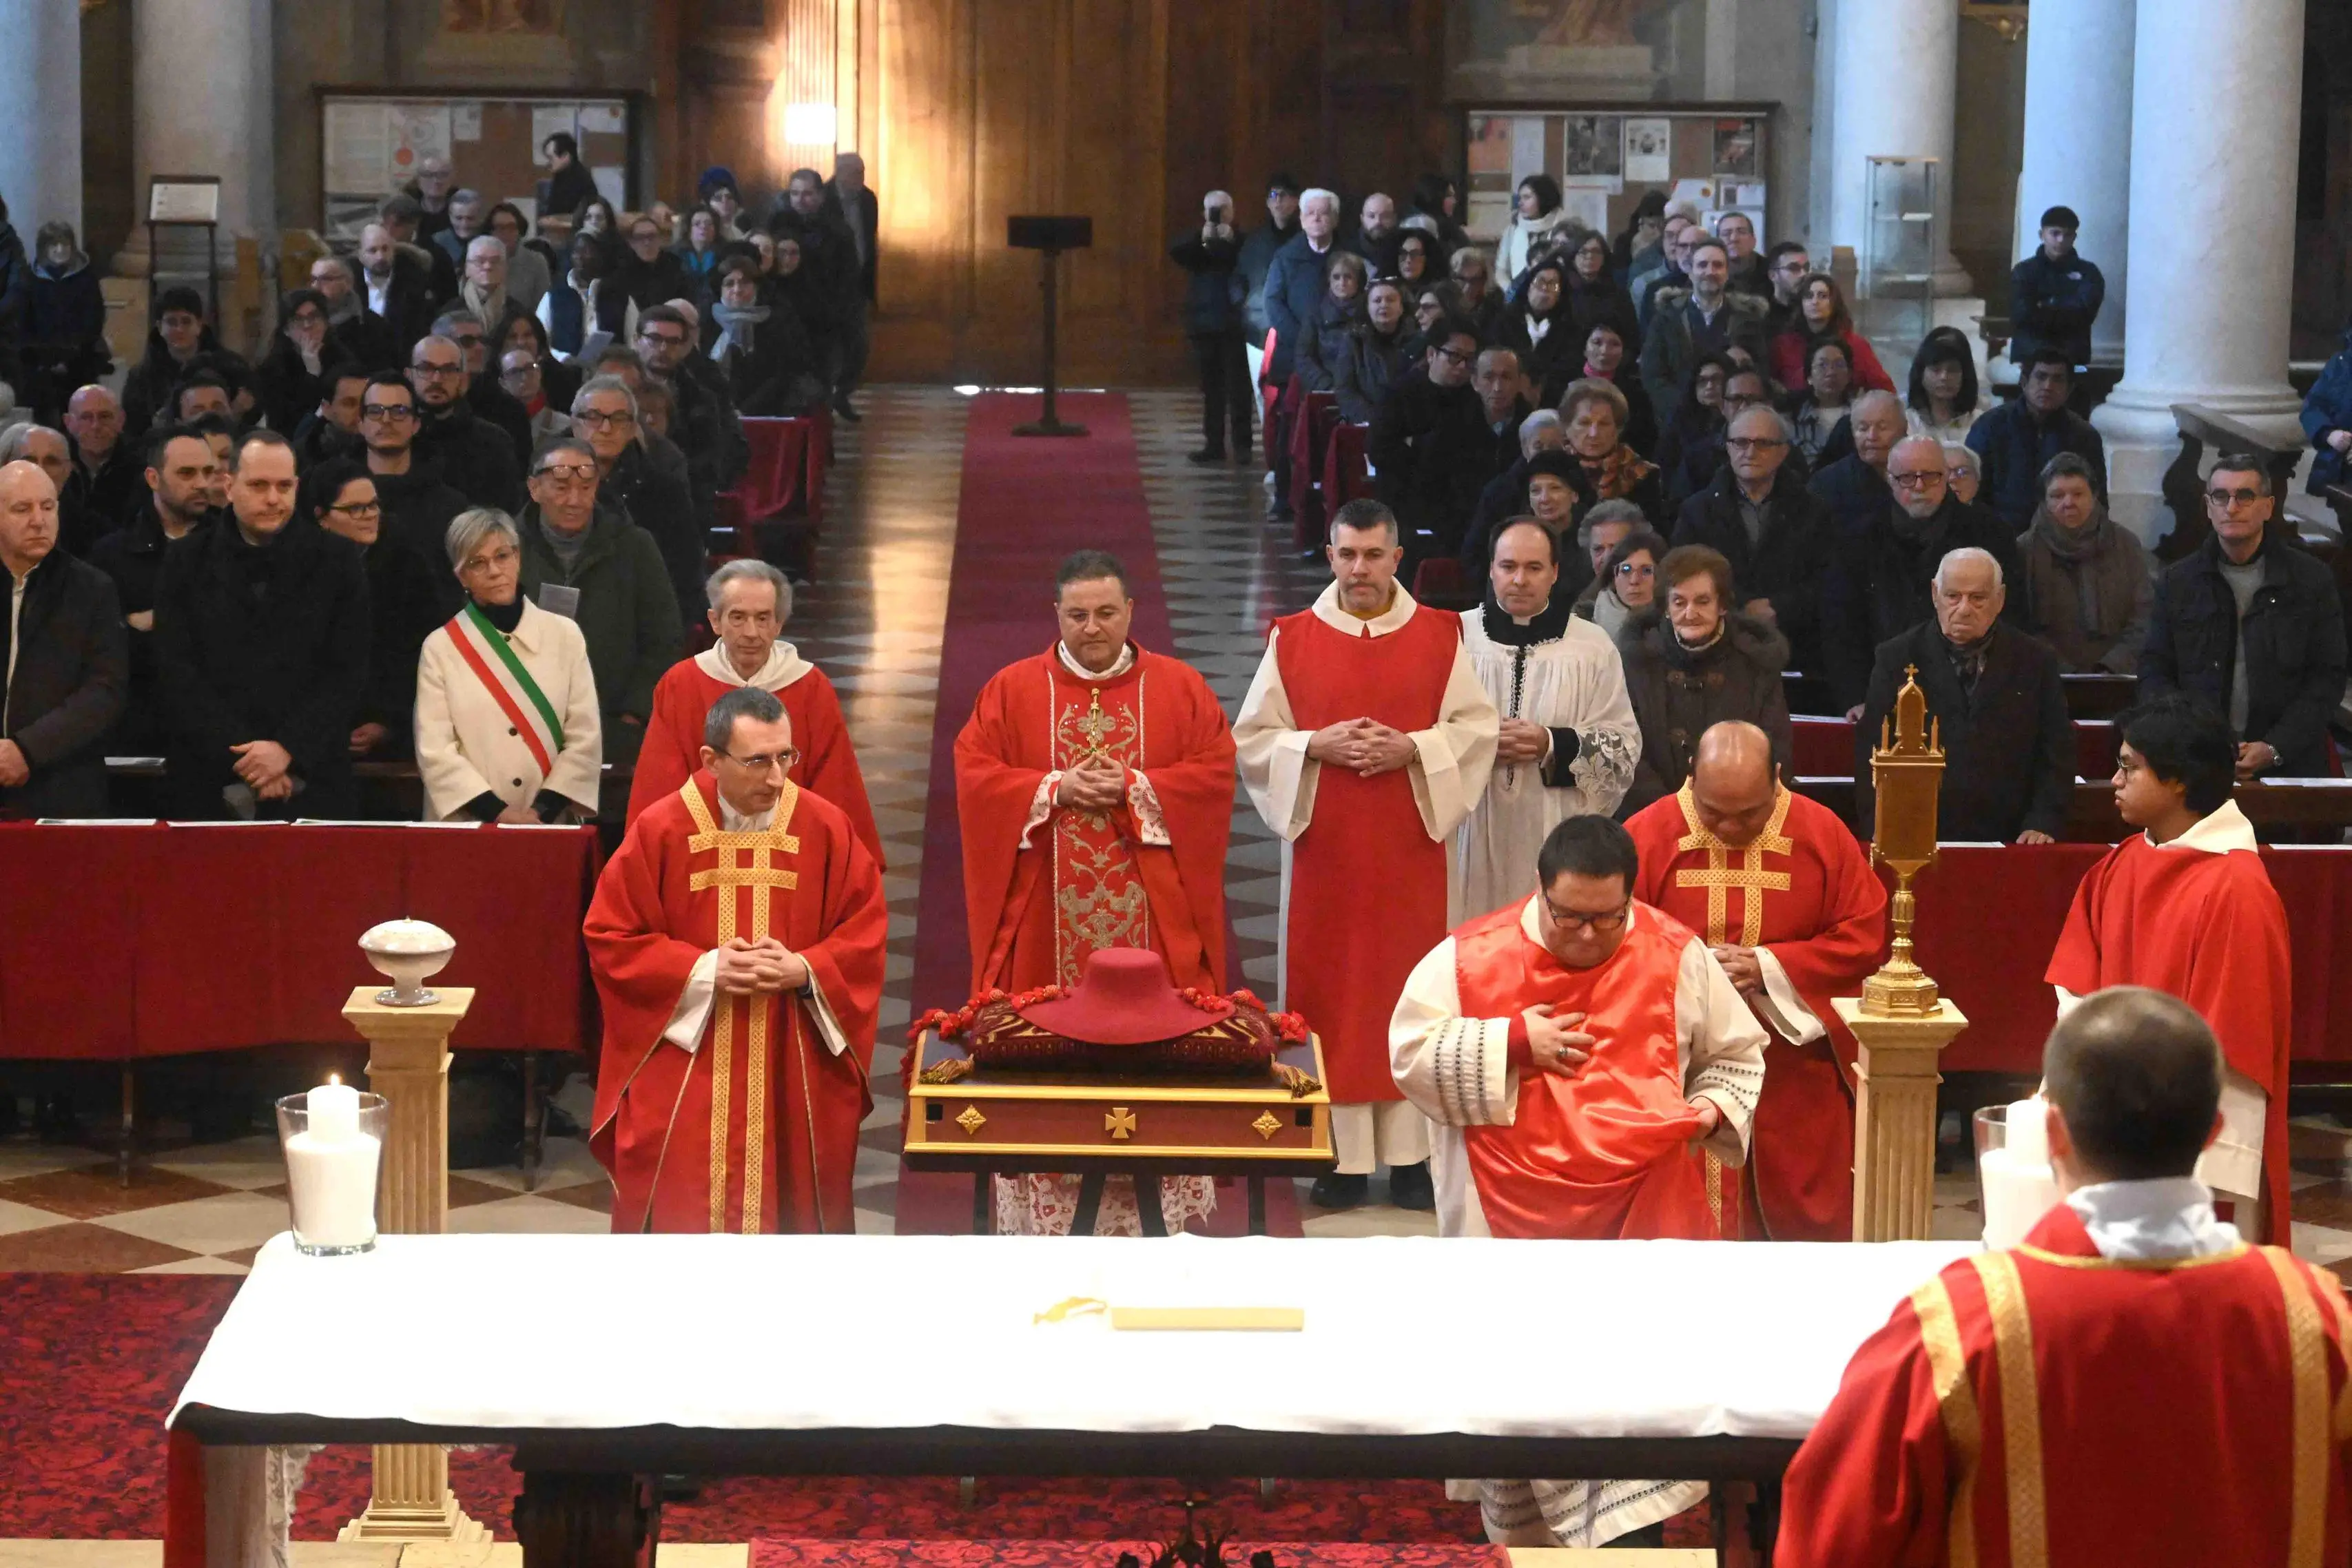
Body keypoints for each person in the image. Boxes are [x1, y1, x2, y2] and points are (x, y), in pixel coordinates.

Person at [1777, 989, 2347, 1568]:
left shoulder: (1961, 1328)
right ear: (2211, 1130)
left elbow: (1832, 1540)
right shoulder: (2320, 1322)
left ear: (2054, 1132)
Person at [1388, 813, 1766, 1548]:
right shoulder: (1469, 957)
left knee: (1627, 1412)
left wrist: (1711, 1106)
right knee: (1527, 1411)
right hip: (1508, 1225)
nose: (1589, 934)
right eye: (1570, 916)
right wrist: (1513, 1040)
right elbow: (1409, 1055)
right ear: (1541, 889)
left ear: (1630, 898)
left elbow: (1736, 1054)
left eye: (1607, 917)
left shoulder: (1675, 952)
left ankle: (1630, 1550)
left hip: (1639, 1217)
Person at [953, 550, 1237, 1235]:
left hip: (1154, 922)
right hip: (1045, 924)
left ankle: (1158, 1217)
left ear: (1131, 611)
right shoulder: (1012, 689)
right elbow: (975, 772)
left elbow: (1214, 771)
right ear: (1056, 614)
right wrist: (1052, 788)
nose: (1092, 627)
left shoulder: (1180, 686)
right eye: (1077, 614)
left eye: (1106, 612)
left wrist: (1139, 787)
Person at [1235, 499, 1499, 1210]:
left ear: (1396, 557)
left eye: (1373, 555)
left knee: (1413, 991)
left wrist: (1414, 745)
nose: (1360, 569)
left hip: (1412, 841)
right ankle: (1342, 1158)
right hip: (1328, 844)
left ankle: (1413, 1158)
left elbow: (1475, 728)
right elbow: (1255, 739)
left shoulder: (1442, 635)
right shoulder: (1291, 638)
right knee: (1335, 996)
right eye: (1347, 554)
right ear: (1329, 555)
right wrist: (1311, 744)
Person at [586, 683, 886, 1232]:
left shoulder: (823, 826)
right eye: (756, 762)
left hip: (790, 1055)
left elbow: (864, 927)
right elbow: (610, 936)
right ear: (711, 760)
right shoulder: (662, 829)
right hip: (688, 1061)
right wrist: (701, 969)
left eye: (784, 757)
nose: (776, 779)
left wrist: (807, 967)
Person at [1626, 722, 1886, 1240]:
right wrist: (1693, 979)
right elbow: (1616, 940)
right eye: (1713, 812)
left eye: (1748, 814)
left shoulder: (1821, 833)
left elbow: (1865, 934)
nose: (1728, 828)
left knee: (1802, 1221)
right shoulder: (1649, 834)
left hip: (1790, 1062)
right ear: (1692, 778)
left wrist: (1769, 967)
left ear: (1778, 781)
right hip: (1681, 1065)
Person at [2044, 695, 2291, 1241]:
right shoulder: (2122, 862)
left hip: (2187, 1149)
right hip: (2108, 1123)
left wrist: (2205, 1164)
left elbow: (2236, 1046)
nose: (2113, 780)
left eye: (2129, 767)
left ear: (2179, 780)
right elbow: (2077, 989)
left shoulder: (2237, 888)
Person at [152, 431, 369, 820]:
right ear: (229, 486)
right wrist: (249, 758)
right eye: (259, 485)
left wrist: (288, 750)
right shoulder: (184, 562)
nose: (273, 498)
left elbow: (347, 672)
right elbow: (177, 673)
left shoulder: (338, 561)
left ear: (297, 487)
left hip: (315, 774)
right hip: (207, 776)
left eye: (284, 486)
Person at [628, 559, 878, 868]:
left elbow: (835, 787)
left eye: (763, 619)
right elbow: (659, 787)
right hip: (700, 858)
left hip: (791, 857)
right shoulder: (682, 685)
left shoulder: (811, 688)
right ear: (714, 621)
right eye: (738, 617)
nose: (751, 632)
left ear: (779, 624)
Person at [1451, 517, 1639, 922]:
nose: (1519, 579)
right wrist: (1478, 743)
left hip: (1554, 826)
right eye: (1508, 566)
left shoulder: (1592, 647)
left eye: (1534, 568)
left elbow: (1624, 748)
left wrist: (1551, 744)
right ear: (1491, 569)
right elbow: (1419, 736)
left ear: (1554, 572)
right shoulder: (1452, 637)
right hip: (1469, 830)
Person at [2140, 453, 2348, 780]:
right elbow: (2155, 670)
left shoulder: (2311, 580)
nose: (2232, 507)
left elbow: (2327, 677)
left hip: (2287, 762)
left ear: (2268, 506)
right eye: (2220, 497)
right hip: (2196, 763)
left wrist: (2275, 747)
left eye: (2245, 496)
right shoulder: (2177, 581)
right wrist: (2193, 740)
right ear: (2208, 507)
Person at [1854, 547, 2072, 844]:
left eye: (1978, 598)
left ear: (2001, 599)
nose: (1964, 609)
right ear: (1935, 594)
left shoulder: (2036, 661)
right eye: (1953, 596)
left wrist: (2043, 822)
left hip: (2013, 836)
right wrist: (1880, 826)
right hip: (1916, 833)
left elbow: (2056, 752)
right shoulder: (1896, 657)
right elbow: (1873, 752)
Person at [413, 505, 603, 824]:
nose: (495, 570)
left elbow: (584, 736)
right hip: (471, 826)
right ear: (461, 575)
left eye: (503, 556)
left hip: (549, 823)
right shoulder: (441, 647)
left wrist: (540, 812)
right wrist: (498, 814)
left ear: (518, 557)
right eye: (478, 563)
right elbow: (436, 750)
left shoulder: (564, 635)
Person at [515, 434, 683, 767]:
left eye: (586, 487)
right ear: (535, 489)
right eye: (561, 488)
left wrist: (633, 713)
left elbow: (664, 639)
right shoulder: (506, 547)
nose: (575, 500)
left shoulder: (634, 547)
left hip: (612, 726)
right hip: (520, 726)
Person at [1823, 436, 2023, 712]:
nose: (1919, 486)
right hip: (1881, 695)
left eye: (1930, 476)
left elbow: (2010, 616)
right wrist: (1857, 698)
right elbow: (1841, 629)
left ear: (1946, 478)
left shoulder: (1990, 533)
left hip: (1971, 697)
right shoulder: (1857, 540)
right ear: (1889, 480)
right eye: (1907, 477)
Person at [1619, 545, 1793, 813]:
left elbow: (1774, 750)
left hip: (1739, 815)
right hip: (1653, 815)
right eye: (1679, 602)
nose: (1690, 614)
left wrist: (1726, 807)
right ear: (1666, 607)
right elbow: (1627, 751)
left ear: (1722, 605)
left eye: (1702, 602)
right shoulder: (1638, 662)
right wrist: (1669, 813)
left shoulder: (1757, 663)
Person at [0, 460, 125, 818]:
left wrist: (26, 750)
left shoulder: (92, 589)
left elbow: (105, 689)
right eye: (22, 509)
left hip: (61, 784)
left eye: (48, 506)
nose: (38, 520)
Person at [1673, 406, 1831, 678]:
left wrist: (1778, 608)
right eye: (1741, 442)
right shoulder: (1696, 511)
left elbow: (1827, 581)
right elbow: (1682, 577)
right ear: (1728, 448)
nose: (1750, 452)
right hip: (1714, 649)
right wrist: (1743, 609)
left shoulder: (1814, 511)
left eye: (1763, 443)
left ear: (1783, 452)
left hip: (1796, 651)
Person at [302, 455, 440, 765]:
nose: (369, 515)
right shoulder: (298, 570)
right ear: (321, 517)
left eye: (374, 505)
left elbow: (423, 653)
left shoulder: (407, 565)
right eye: (355, 509)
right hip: (314, 734)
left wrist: (389, 721)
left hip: (394, 729)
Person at [87, 424, 214, 753]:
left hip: (219, 728)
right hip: (139, 728)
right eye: (187, 473)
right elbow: (102, 650)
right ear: (153, 479)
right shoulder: (110, 556)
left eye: (208, 472)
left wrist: (156, 622)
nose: (202, 483)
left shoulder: (235, 549)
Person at [2016, 451, 2152, 674]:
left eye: (2078, 494)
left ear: (2094, 496)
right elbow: (2020, 625)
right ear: (2044, 501)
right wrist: (2063, 672)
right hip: (2046, 676)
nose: (2068, 503)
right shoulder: (2024, 550)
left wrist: (2111, 667)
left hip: (2116, 679)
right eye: (2057, 496)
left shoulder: (2125, 544)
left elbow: (2144, 616)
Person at [1365, 319, 1486, 568]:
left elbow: (1472, 454)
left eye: (1470, 360)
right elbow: (1380, 450)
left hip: (1458, 504)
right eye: (1454, 356)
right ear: (1431, 354)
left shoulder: (1476, 401)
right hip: (1406, 499)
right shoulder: (1398, 394)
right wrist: (1429, 448)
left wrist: (1417, 444)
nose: (1462, 366)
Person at [353, 371, 468, 613]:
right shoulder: (336, 498)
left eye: (399, 411)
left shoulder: (450, 506)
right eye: (375, 411)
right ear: (360, 423)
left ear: (416, 424)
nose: (386, 420)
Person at [1965, 348, 2108, 529]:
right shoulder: (1990, 426)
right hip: (2000, 537)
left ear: (2069, 389)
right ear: (2024, 382)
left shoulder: (2085, 436)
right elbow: (1970, 493)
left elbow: (2098, 503)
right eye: (2041, 377)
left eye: (2058, 379)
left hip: (2064, 540)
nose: (2048, 386)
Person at [1638, 238, 1770, 427]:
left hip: (1734, 421)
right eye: (1702, 265)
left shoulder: (1747, 320)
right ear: (1690, 272)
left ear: (1727, 273)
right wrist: (1684, 408)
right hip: (1679, 423)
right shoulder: (1666, 318)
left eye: (1718, 265)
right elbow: (1653, 375)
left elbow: (1761, 370)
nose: (1710, 272)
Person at [1170, 190, 1252, 463]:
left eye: (1222, 209)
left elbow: (1247, 261)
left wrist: (1232, 239)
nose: (1217, 215)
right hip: (1204, 323)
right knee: (1211, 388)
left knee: (1239, 389)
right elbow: (1176, 252)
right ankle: (1213, 444)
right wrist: (1202, 237)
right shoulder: (1198, 242)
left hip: (1234, 322)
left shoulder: (1243, 241)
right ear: (1204, 213)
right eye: (1211, 210)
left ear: (1232, 211)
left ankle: (1243, 446)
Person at [409, 333, 523, 512]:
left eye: (448, 370)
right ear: (409, 375)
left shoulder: (494, 442)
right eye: (426, 368)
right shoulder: (396, 436)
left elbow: (505, 513)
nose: (437, 379)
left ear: (463, 379)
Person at [120, 287, 250, 441]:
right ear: (160, 327)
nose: (179, 329)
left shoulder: (232, 367)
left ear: (200, 325)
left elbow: (251, 415)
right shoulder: (141, 377)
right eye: (171, 322)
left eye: (186, 321)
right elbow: (134, 431)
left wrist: (234, 415)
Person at [703, 254, 820, 417]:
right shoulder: (705, 321)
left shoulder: (778, 321)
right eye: (729, 284)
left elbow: (782, 375)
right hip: (716, 412)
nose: (737, 290)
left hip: (768, 410)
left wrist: (745, 411)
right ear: (720, 289)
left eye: (745, 283)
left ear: (756, 287)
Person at [21, 223, 110, 424]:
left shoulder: (86, 278)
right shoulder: (30, 279)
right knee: (44, 417)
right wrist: (44, 356)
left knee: (81, 414)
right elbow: (25, 321)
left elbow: (93, 319)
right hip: (41, 363)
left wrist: (71, 355)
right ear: (43, 249)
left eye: (65, 245)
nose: (60, 250)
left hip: (80, 359)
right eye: (54, 246)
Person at [1260, 187, 1342, 391]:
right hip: (1294, 350)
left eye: (1323, 213)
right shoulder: (1285, 257)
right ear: (1302, 219)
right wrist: (1303, 338)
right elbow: (1273, 301)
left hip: (1338, 351)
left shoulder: (1348, 256)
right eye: (1310, 213)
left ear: (1335, 219)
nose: (1316, 218)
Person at [2008, 203, 2107, 368]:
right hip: (2030, 356)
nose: (2061, 240)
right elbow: (2021, 316)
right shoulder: (2023, 272)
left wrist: (2043, 305)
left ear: (2074, 238)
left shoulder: (2089, 273)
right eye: (2055, 233)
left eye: (2067, 235)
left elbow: (2084, 315)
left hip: (2072, 357)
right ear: (2042, 235)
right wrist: (2063, 307)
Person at [1765, 272, 1893, 398]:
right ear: (1801, 303)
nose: (1815, 302)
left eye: (1822, 296)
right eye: (1809, 296)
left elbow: (1885, 391)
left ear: (1834, 302)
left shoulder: (1856, 345)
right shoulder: (1783, 345)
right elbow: (1768, 388)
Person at [1806, 388, 1906, 548]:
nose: (1872, 437)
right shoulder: (1826, 483)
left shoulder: (1920, 473)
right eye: (1863, 428)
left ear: (1903, 430)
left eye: (1882, 427)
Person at [1557, 377, 1662, 522]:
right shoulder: (1550, 468)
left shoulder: (1641, 475)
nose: (1594, 434)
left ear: (1618, 429)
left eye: (1604, 424)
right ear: (1567, 427)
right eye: (1584, 423)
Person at [251, 289, 353, 437]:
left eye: (314, 317)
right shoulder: (272, 369)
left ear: (325, 322)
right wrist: (312, 374)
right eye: (298, 320)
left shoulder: (344, 359)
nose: (307, 325)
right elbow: (285, 424)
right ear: (286, 330)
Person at [1237, 174, 1301, 400]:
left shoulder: (1304, 240)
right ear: (1267, 202)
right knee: (1263, 398)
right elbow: (1239, 279)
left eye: (1284, 196)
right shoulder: (1255, 241)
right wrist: (1242, 305)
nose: (1278, 201)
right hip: (1258, 329)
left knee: (1291, 401)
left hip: (1295, 333)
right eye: (1274, 195)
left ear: (1296, 201)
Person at [344, 224, 440, 369]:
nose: (381, 257)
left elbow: (420, 332)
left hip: (402, 363)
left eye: (385, 249)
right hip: (357, 363)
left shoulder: (414, 283)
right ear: (360, 255)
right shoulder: (347, 284)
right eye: (372, 250)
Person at [1330, 276, 1412, 426]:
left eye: (1391, 300)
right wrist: (1375, 420)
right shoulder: (1353, 340)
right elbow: (1345, 389)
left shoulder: (1415, 340)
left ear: (1401, 307)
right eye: (1377, 301)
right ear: (1367, 307)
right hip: (1366, 422)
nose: (1384, 305)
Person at [63, 384, 141, 535]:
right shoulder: (54, 465)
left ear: (121, 420)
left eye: (105, 416)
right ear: (68, 423)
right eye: (86, 417)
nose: (96, 426)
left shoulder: (142, 470)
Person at [1500, 258, 1578, 406]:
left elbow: (1567, 368)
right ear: (1529, 285)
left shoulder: (1569, 327)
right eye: (1540, 282)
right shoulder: (1506, 319)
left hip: (1551, 399)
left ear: (1560, 294)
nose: (1544, 290)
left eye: (1553, 285)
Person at [1290, 249, 1368, 395]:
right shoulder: (1315, 313)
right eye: (1336, 277)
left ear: (1359, 281)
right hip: (1324, 391)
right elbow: (1303, 357)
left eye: (1348, 277)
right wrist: (1327, 386)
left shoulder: (1369, 313)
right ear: (1329, 280)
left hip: (1362, 392)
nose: (1342, 283)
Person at [1576, 518, 1662, 643]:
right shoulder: (1582, 623)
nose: (1634, 581)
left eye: (1646, 571)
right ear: (1613, 577)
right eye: (1625, 570)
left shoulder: (1677, 624)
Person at [1560, 229, 1640, 360]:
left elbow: (1632, 339)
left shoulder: (1617, 294)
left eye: (1596, 252)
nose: (1590, 256)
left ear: (1604, 258)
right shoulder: (1562, 292)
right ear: (1573, 257)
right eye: (1583, 252)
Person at [1904, 324, 1983, 444]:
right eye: (1936, 369)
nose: (1944, 377)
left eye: (1952, 370)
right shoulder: (1907, 421)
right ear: (1921, 372)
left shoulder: (1979, 422)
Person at [1494, 174, 1571, 289]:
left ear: (1543, 198)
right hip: (1518, 295)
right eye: (1520, 198)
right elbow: (1501, 270)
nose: (1520, 203)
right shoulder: (1513, 229)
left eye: (1527, 197)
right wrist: (1511, 291)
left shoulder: (1566, 227)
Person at [1788, 338, 1855, 468]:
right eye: (1822, 365)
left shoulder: (1861, 414)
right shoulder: (1792, 418)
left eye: (1839, 365)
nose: (1831, 373)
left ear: (1849, 375)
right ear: (1809, 377)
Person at [487, 202, 551, 318]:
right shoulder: (481, 261)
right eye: (500, 228)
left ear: (520, 231)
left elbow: (542, 308)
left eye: (511, 227)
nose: (506, 233)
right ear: (490, 232)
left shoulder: (536, 262)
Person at [540, 131, 600, 226]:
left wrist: (556, 221)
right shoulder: (561, 175)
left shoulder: (581, 179)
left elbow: (582, 216)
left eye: (551, 158)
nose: (548, 163)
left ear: (565, 156)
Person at [1758, 240, 1811, 336]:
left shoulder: (1813, 311)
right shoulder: (1760, 317)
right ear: (1773, 275)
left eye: (1806, 268)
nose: (1804, 274)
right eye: (1794, 268)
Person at [1348, 191, 1401, 276]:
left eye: (1385, 216)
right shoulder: (1348, 250)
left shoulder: (1404, 248)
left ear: (1394, 219)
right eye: (1371, 216)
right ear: (1362, 219)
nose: (1378, 222)